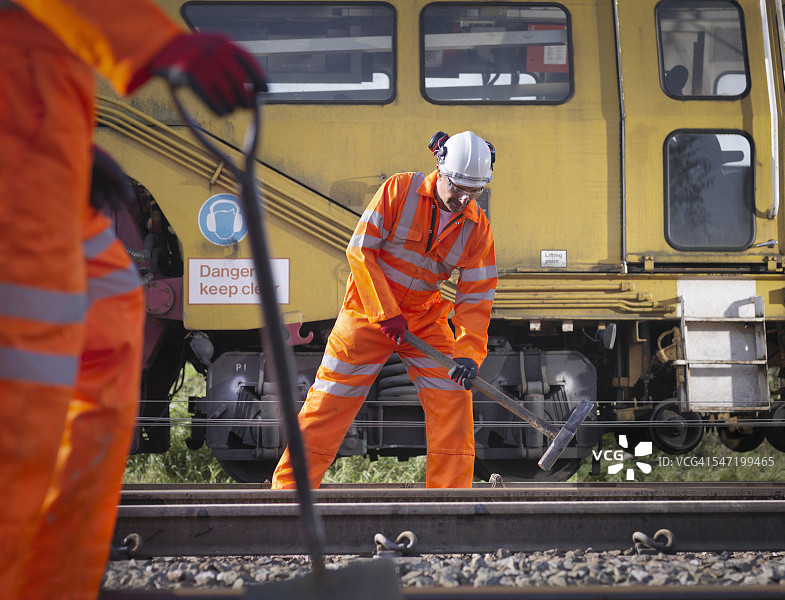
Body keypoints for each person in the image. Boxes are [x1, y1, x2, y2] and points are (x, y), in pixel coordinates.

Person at [0, 2, 267, 599]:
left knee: (112, 313)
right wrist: (154, 44)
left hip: (39, 146)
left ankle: (50, 582)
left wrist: (67, 143)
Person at [271, 131, 498, 490]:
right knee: (329, 402)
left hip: (424, 320)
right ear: (440, 170)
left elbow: (477, 294)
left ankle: (450, 501)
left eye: (475, 190)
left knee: (455, 398)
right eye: (458, 187)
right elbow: (360, 251)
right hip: (366, 313)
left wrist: (469, 354)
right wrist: (384, 311)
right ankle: (288, 493)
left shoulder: (476, 227)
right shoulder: (399, 190)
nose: (464, 198)